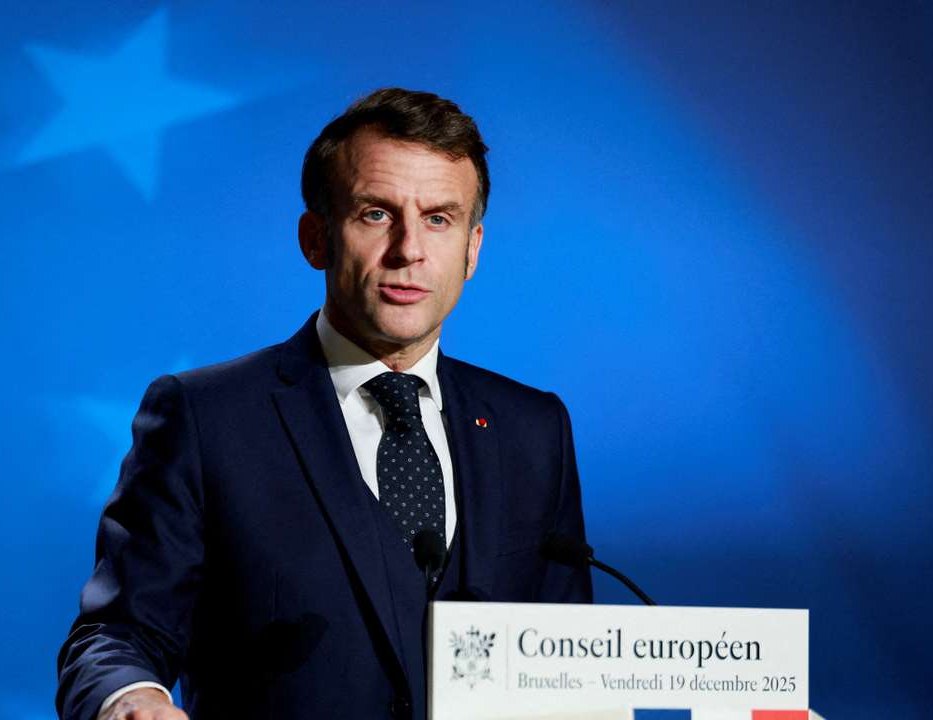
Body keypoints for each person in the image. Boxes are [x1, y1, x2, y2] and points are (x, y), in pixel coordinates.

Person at [56, 88, 593, 720]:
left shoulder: (534, 429)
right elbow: (114, 636)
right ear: (316, 238)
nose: (409, 250)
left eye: (439, 219)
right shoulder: (205, 419)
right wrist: (133, 699)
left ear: (473, 249)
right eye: (375, 214)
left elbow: (568, 664)